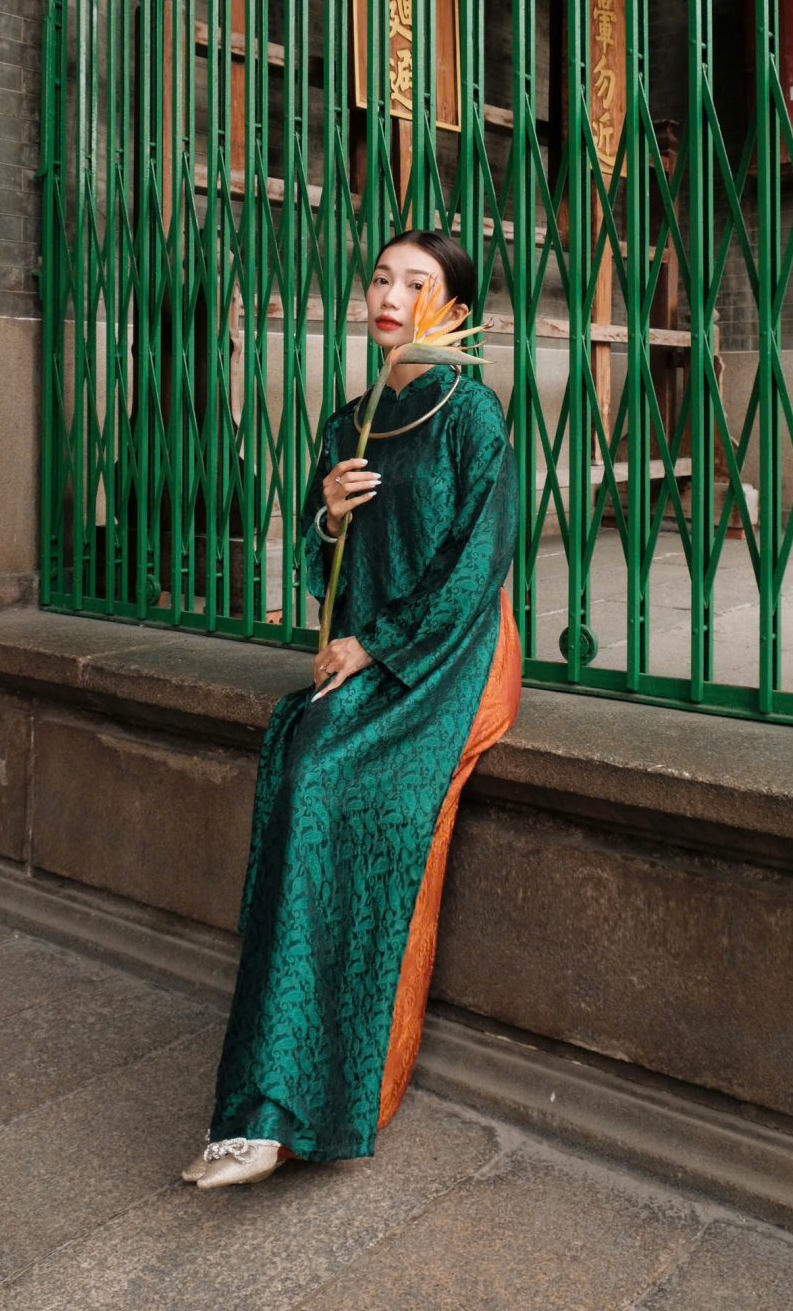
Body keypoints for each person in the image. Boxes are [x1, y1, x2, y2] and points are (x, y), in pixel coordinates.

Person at [181, 231, 522, 1188]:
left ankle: (302, 1106)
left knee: (329, 780)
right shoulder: (348, 422)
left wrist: (375, 645)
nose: (390, 296)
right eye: (381, 278)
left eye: (417, 283)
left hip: (446, 656)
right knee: (302, 769)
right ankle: (264, 1108)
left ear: (454, 311)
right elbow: (319, 566)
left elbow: (478, 564)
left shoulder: (471, 414)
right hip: (364, 647)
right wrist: (329, 514)